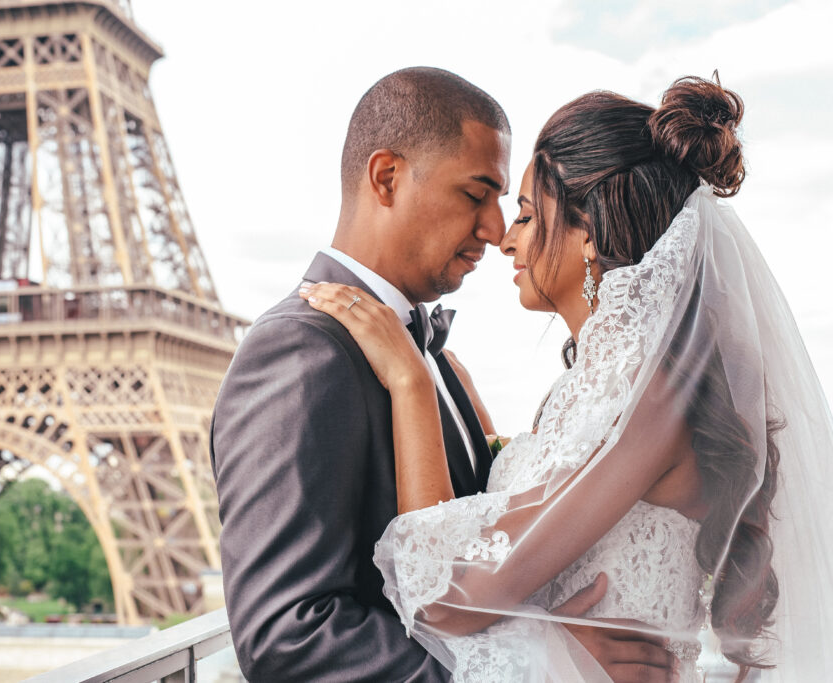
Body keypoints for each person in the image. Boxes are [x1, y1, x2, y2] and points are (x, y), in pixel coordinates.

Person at [301, 75, 833, 681]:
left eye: (527, 215)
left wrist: (411, 384)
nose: (505, 237)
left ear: (589, 232)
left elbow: (443, 595)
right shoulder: (606, 390)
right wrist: (554, 642)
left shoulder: (650, 399)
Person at [211, 67, 676, 681]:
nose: (494, 229)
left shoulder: (430, 359)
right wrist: (540, 661)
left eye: (510, 206)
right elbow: (287, 636)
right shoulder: (301, 351)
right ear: (387, 178)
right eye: (475, 193)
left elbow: (480, 557)